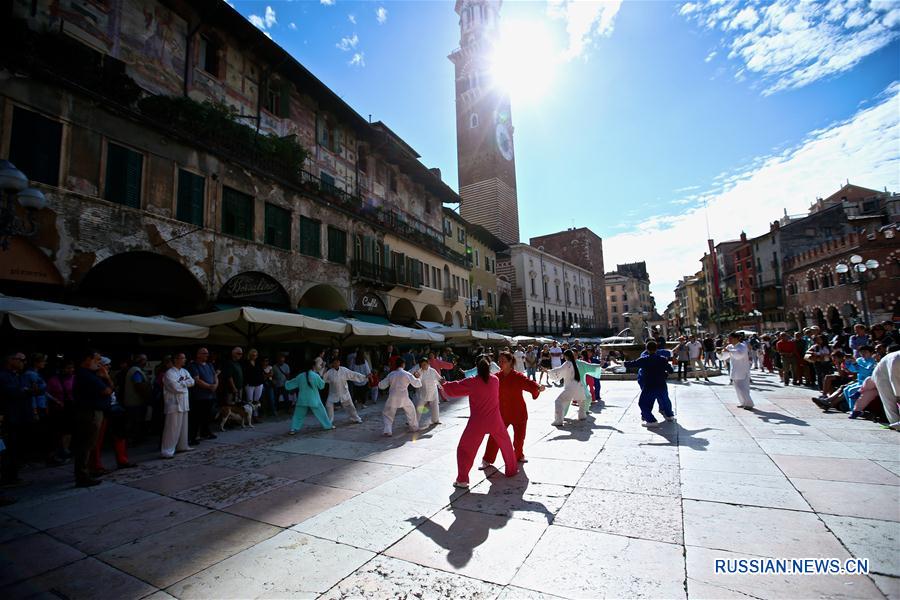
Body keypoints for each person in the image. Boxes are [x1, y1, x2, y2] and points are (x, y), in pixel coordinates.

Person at [441, 356, 518, 488]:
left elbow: (454, 390)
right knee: (506, 444)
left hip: (477, 422)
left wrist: (444, 383)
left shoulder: (472, 382)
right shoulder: (495, 380)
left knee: (465, 449)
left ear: (476, 367)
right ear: (489, 366)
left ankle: (462, 480)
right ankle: (511, 470)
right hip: (495, 420)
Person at [480, 351, 544, 469]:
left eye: (504, 361)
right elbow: (485, 388)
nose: (501, 363)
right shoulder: (496, 378)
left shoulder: (518, 376)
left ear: (511, 362)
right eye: (499, 361)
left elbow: (529, 384)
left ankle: (519, 455)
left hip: (518, 412)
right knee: (494, 437)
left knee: (519, 438)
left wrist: (538, 387)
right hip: (502, 413)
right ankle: (487, 459)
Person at [72, 351, 112, 486]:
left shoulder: (89, 374)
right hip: (89, 412)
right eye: (97, 359)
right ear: (88, 359)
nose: (99, 363)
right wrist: (106, 377)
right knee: (86, 444)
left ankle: (85, 471)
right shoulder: (86, 375)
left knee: (88, 443)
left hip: (93, 411)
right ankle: (82, 475)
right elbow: (107, 390)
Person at [0, 352, 36, 487]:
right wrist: (25, 390)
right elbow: (12, 392)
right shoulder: (3, 376)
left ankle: (13, 475)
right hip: (11, 418)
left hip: (20, 416)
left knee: (16, 448)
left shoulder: (18, 376)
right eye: (21, 360)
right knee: (10, 448)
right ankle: (8, 477)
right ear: (11, 360)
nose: (24, 362)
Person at [624, 341, 675, 427]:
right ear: (656, 349)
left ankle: (651, 421)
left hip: (650, 385)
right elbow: (671, 370)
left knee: (643, 403)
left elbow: (632, 364)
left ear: (647, 349)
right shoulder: (662, 359)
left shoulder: (644, 359)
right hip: (661, 384)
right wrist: (664, 372)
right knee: (665, 400)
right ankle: (669, 416)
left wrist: (619, 363)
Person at [285, 359, 334, 434]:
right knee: (322, 413)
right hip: (314, 399)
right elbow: (322, 386)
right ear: (313, 366)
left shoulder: (300, 376)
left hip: (302, 400)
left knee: (298, 415)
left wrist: (285, 382)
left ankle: (293, 429)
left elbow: (289, 385)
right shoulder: (315, 375)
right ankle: (328, 426)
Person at [160, 353, 194, 458]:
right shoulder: (169, 373)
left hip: (184, 402)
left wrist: (182, 383)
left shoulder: (184, 371)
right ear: (176, 359)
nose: (185, 360)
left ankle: (182, 445)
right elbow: (175, 387)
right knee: (172, 428)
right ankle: (167, 450)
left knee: (183, 427)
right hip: (173, 403)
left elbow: (192, 382)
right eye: (182, 358)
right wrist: (185, 384)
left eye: (184, 358)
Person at [378, 357, 421, 436]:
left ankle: (388, 430)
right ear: (403, 364)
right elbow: (417, 384)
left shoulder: (391, 374)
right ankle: (414, 427)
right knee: (411, 411)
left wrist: (379, 382)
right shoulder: (407, 374)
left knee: (388, 414)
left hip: (393, 396)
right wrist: (418, 378)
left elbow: (382, 386)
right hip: (404, 396)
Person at [544, 349, 586, 426]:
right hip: (579, 386)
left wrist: (548, 371)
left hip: (571, 387)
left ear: (566, 356)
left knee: (558, 401)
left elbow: (559, 370)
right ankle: (582, 416)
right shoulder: (574, 364)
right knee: (581, 402)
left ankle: (558, 420)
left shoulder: (568, 363)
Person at [322, 356, 367, 424]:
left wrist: (364, 377)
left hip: (344, 392)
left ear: (339, 363)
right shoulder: (329, 372)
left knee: (350, 407)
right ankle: (329, 422)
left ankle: (356, 418)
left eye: (337, 362)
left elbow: (353, 374)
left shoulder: (344, 370)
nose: (336, 364)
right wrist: (323, 370)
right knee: (328, 405)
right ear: (332, 364)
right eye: (334, 363)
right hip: (333, 393)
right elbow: (323, 380)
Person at [46, 360, 75, 462]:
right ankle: (57, 452)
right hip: (57, 408)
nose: (70, 370)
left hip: (71, 407)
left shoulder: (74, 379)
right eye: (68, 368)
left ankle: (65, 450)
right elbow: (46, 392)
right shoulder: (53, 380)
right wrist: (56, 401)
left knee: (68, 430)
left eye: (72, 368)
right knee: (58, 431)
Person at [187, 348, 218, 445]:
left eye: (207, 353)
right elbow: (196, 379)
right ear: (198, 355)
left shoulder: (209, 365)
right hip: (199, 396)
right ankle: (193, 436)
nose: (206, 355)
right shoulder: (193, 366)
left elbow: (215, 376)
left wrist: (215, 385)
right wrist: (209, 386)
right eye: (204, 353)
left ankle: (206, 432)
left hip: (210, 395)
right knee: (196, 417)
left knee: (208, 415)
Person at [722, 332, 754, 410]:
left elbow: (739, 356)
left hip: (742, 369)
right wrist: (721, 352)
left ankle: (749, 403)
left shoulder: (742, 346)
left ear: (736, 338)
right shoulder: (729, 346)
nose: (729, 340)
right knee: (737, 388)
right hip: (734, 369)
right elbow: (724, 357)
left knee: (743, 388)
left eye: (731, 338)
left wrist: (730, 351)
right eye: (728, 338)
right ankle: (742, 402)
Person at [873, 347, 900, 430]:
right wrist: (898, 395)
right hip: (882, 374)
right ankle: (895, 423)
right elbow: (894, 379)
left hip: (893, 373)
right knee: (889, 399)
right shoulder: (896, 360)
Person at [413, 357, 443, 427]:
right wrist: (416, 377)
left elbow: (439, 378)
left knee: (435, 406)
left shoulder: (433, 370)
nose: (424, 366)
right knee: (419, 407)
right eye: (422, 365)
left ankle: (435, 420)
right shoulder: (419, 372)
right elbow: (417, 382)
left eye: (425, 364)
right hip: (423, 393)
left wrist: (442, 380)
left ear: (428, 364)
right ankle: (415, 422)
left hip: (433, 391)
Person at [243, 349, 265, 422]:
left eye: (255, 355)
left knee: (256, 401)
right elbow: (245, 373)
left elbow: (261, 372)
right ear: (249, 355)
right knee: (249, 401)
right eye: (252, 355)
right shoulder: (245, 363)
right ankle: (249, 416)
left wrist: (262, 381)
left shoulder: (258, 362)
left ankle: (255, 416)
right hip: (250, 384)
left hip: (259, 383)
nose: (254, 356)